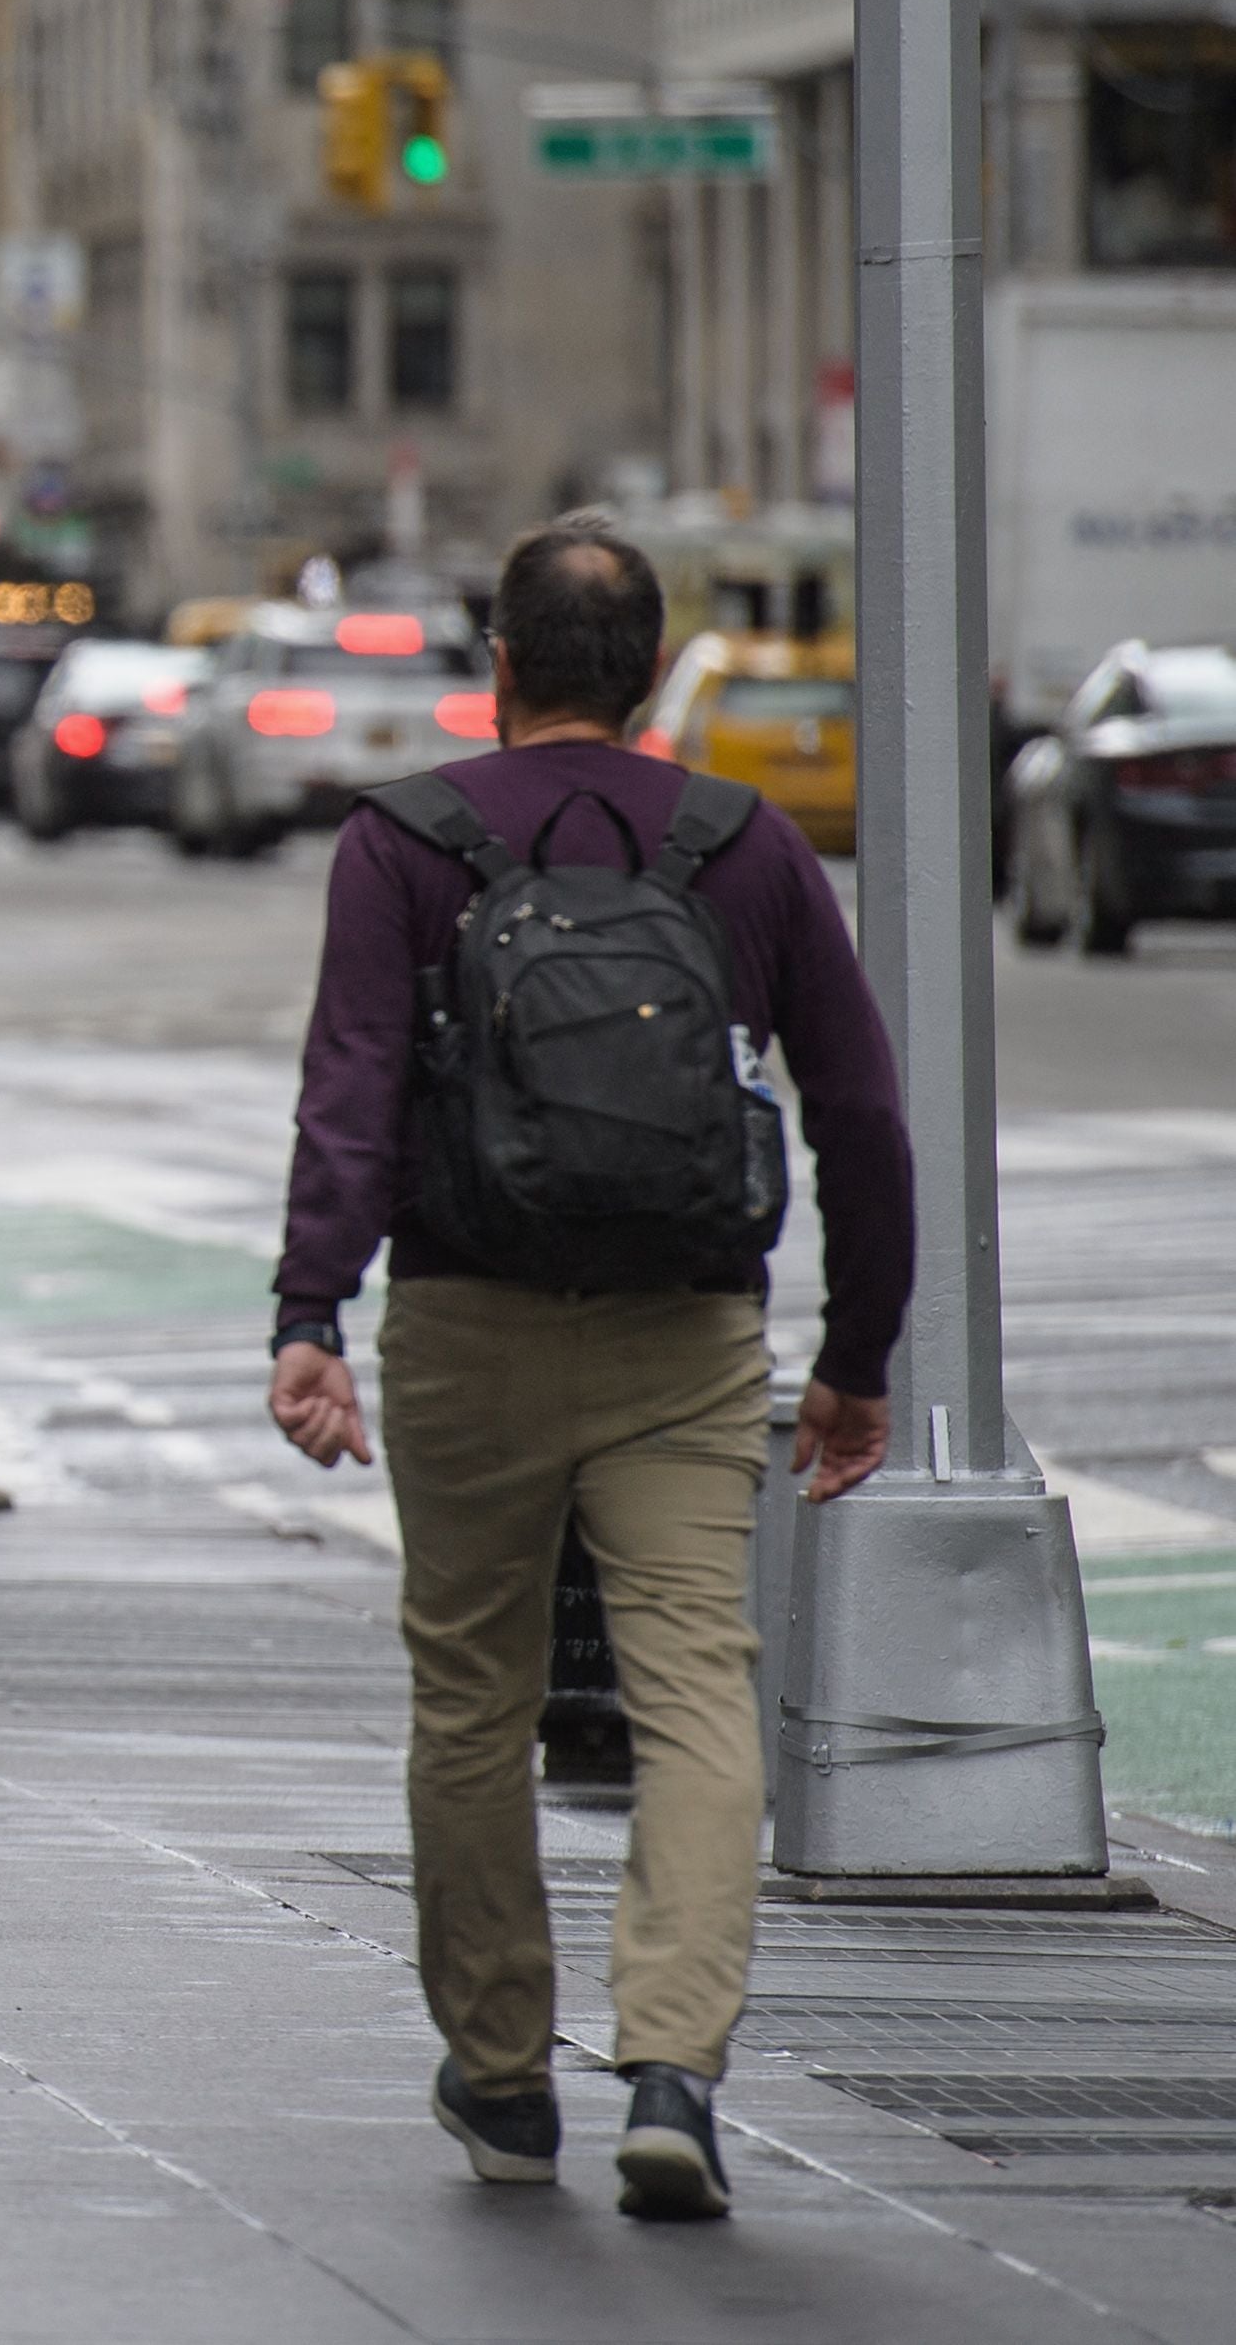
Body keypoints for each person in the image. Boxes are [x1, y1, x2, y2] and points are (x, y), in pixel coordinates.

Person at [266, 513, 903, 2222]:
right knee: (696, 1684)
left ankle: (499, 2071)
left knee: (472, 1695)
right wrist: (854, 1354)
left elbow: (352, 1092)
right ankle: (674, 2064)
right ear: (644, 680)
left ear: (499, 667)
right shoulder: (742, 843)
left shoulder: (403, 841)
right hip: (688, 1331)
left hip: (467, 1316)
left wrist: (310, 1316)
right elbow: (859, 1113)